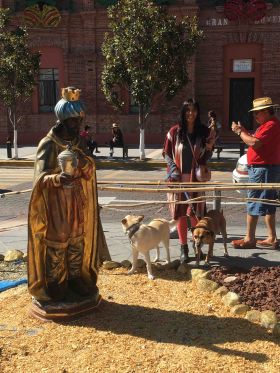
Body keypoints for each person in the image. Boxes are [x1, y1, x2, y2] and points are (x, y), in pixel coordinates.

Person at [27, 86, 110, 303]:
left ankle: (75, 279)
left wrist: (84, 164)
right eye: (74, 121)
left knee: (76, 243)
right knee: (57, 245)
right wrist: (56, 178)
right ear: (63, 121)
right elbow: (39, 179)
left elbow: (89, 168)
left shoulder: (79, 142)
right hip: (55, 206)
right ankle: (55, 283)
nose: (78, 125)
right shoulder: (48, 144)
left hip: (76, 202)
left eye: (79, 121)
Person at [162, 99, 215, 263]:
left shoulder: (204, 132)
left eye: (193, 110)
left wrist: (210, 148)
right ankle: (183, 247)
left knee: (194, 214)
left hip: (195, 180)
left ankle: (195, 245)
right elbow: (166, 153)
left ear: (198, 112)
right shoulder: (174, 132)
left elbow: (206, 156)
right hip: (178, 180)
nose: (190, 113)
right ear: (183, 112)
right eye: (187, 110)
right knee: (180, 215)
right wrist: (172, 169)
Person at [231, 97, 280, 249]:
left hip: (263, 168)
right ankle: (272, 237)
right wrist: (244, 131)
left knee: (254, 202)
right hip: (265, 168)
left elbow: (254, 143)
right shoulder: (268, 125)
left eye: (257, 113)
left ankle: (250, 238)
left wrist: (240, 132)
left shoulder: (271, 125)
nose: (255, 116)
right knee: (267, 203)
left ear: (266, 112)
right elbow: (254, 139)